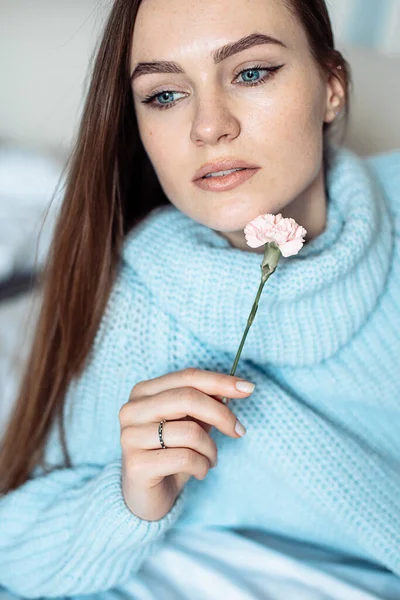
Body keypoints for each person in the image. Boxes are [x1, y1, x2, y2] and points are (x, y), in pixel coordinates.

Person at [0, 0, 399, 598]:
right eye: (164, 95)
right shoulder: (143, 310)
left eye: (251, 73)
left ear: (332, 87)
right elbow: (16, 553)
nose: (208, 126)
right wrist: (130, 496)